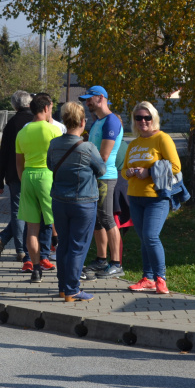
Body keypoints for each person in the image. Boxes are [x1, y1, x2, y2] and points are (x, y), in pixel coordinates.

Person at [47, 102, 106, 301]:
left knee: (63, 244)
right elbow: (102, 170)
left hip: (59, 201)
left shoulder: (54, 144)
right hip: (83, 202)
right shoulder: (88, 147)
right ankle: (72, 289)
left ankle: (63, 287)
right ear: (82, 122)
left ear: (64, 121)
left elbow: (49, 165)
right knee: (78, 246)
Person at [122, 101, 181, 295]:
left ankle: (160, 279)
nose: (143, 121)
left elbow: (175, 167)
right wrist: (129, 172)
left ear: (154, 118)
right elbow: (122, 171)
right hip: (135, 197)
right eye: (138, 118)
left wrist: (148, 172)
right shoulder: (134, 143)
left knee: (150, 236)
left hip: (156, 197)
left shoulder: (162, 138)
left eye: (147, 117)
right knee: (144, 239)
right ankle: (147, 278)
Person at [0, 91, 53, 272]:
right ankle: (41, 254)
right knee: (44, 218)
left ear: (15, 105)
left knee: (24, 214)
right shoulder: (50, 128)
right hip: (45, 177)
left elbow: (4, 154)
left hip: (19, 176)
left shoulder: (13, 125)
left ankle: (22, 251)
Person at [16, 93, 63, 284]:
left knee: (32, 228)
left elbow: (19, 163)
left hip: (28, 176)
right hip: (47, 175)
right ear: (46, 108)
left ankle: (35, 269)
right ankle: (61, 257)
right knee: (57, 222)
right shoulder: (53, 130)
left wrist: (23, 180)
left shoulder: (22, 131)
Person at [78, 86, 125, 279]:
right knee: (97, 220)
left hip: (105, 177)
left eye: (89, 99)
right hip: (95, 177)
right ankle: (101, 260)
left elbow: (103, 156)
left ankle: (116, 264)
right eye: (85, 99)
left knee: (107, 218)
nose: (86, 102)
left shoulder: (111, 121)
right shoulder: (98, 121)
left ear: (100, 98)